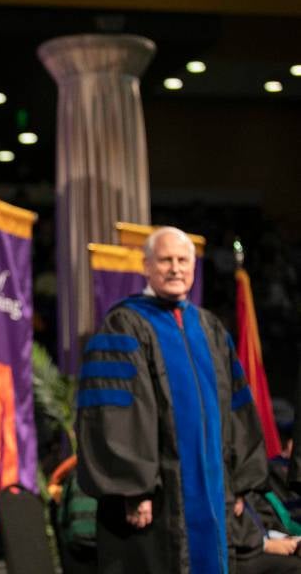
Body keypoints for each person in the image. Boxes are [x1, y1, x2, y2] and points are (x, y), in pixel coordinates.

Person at [76, 226, 268, 573]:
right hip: (157, 499)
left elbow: (237, 408)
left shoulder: (210, 328)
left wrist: (241, 482)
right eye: (165, 260)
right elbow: (116, 414)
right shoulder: (124, 324)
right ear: (146, 266)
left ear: (194, 268)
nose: (175, 268)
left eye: (183, 260)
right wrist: (133, 488)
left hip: (214, 494)